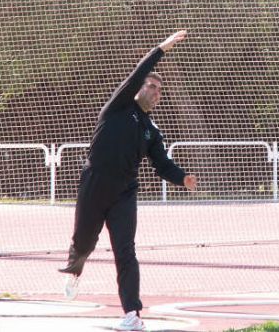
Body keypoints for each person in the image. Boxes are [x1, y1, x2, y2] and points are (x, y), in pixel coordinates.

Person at [59, 30, 198, 331]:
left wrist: (182, 177)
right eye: (150, 85)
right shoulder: (119, 106)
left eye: (159, 90)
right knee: (83, 243)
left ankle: (132, 314)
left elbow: (162, 164)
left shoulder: (152, 130)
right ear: (138, 89)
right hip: (95, 182)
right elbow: (139, 72)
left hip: (124, 192)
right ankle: (75, 269)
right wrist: (163, 48)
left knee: (126, 251)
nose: (154, 91)